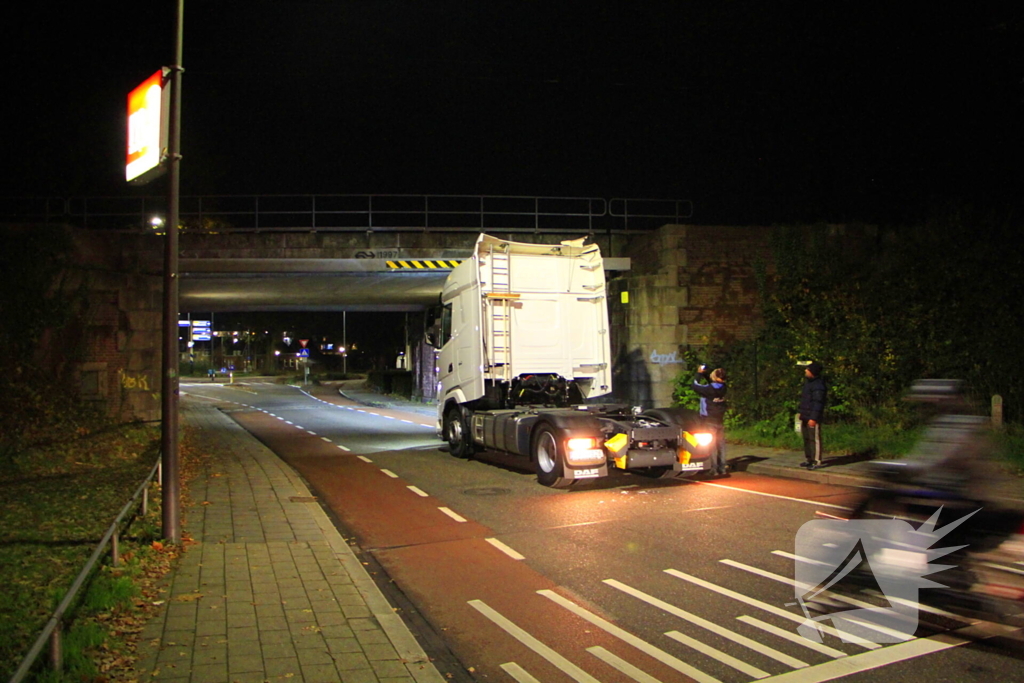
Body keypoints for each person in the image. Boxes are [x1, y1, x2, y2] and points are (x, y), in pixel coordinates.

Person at [692, 364, 728, 477]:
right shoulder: (723, 387)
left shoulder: (708, 390)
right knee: (720, 444)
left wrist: (699, 373)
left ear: (715, 377)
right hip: (719, 419)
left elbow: (694, 385)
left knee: (711, 445)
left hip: (709, 420)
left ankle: (714, 469)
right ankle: (722, 467)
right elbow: (712, 384)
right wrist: (706, 375)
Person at [799, 361, 827, 469]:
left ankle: (816, 460)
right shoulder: (808, 383)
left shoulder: (818, 385)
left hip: (812, 416)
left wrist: (813, 418)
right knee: (806, 438)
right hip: (805, 415)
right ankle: (809, 459)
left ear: (813, 372)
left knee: (814, 439)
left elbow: (818, 402)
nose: (805, 371)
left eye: (808, 369)